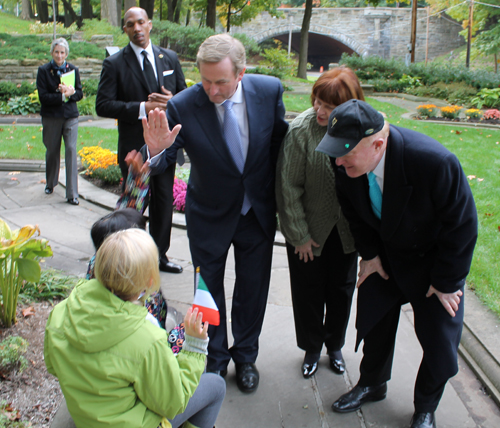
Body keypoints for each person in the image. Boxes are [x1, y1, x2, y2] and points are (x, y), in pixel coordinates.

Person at [316, 99, 477, 428]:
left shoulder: (434, 162)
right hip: (386, 253)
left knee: (439, 340)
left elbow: (462, 225)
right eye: (335, 152)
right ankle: (372, 384)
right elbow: (354, 214)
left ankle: (425, 406)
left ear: (378, 144)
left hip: (434, 262)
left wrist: (447, 281)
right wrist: (370, 255)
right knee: (375, 317)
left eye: (345, 154)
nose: (338, 161)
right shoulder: (347, 165)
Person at [142, 34, 289, 393]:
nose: (211, 90)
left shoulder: (269, 92)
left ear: (241, 73)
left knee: (253, 289)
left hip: (255, 211)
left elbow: (278, 145)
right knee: (207, 290)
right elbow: (161, 162)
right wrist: (155, 151)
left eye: (220, 82)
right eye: (205, 81)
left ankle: (246, 357)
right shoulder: (183, 104)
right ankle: (215, 358)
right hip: (208, 213)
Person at [45, 228, 226, 428]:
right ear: (149, 282)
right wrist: (195, 347)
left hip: (88, 418)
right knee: (215, 386)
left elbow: (54, 367)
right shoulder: (146, 339)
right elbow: (174, 403)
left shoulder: (61, 313)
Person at [275, 67, 361, 379]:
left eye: (329, 106)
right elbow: (288, 187)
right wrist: (298, 235)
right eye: (317, 101)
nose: (319, 110)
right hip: (308, 232)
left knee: (342, 290)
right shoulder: (301, 130)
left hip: (347, 233)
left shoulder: (359, 128)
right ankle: (312, 347)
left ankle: (334, 345)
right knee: (308, 291)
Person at [95, 6, 186, 274]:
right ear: (124, 29)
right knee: (134, 205)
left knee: (162, 203)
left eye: (141, 22)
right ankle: (127, 257)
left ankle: (159, 257)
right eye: (130, 24)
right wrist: (140, 108)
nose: (136, 28)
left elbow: (184, 96)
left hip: (165, 145)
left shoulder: (168, 57)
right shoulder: (114, 64)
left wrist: (173, 101)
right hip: (134, 148)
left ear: (150, 25)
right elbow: (103, 105)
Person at [37, 37, 83, 206]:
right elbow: (43, 97)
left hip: (70, 116)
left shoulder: (73, 69)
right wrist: (62, 95)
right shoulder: (43, 71)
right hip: (51, 117)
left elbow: (79, 93)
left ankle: (72, 194)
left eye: (62, 52)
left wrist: (71, 94)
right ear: (52, 53)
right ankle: (50, 183)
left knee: (71, 149)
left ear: (66, 54)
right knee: (52, 150)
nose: (59, 55)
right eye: (56, 52)